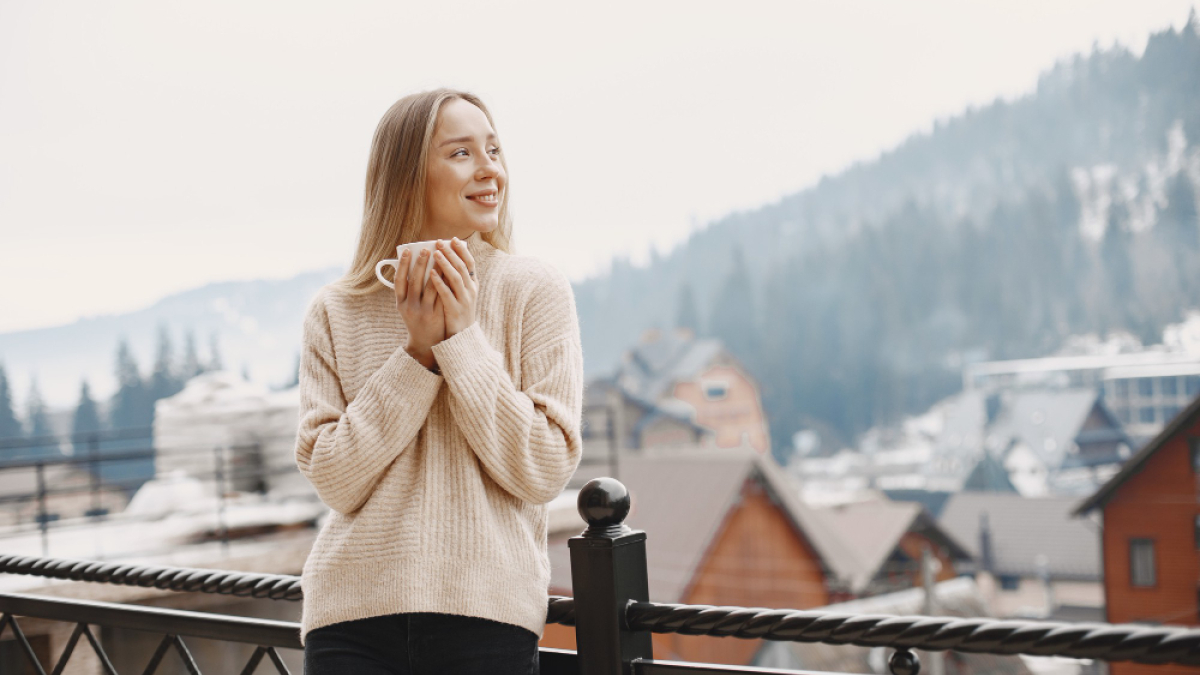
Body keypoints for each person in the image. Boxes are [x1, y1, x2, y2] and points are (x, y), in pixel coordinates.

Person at [294, 88, 584, 674]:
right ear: (406, 176)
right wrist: (417, 354)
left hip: (485, 618)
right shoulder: (336, 310)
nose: (489, 170)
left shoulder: (534, 289)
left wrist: (457, 340)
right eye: (461, 153)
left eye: (494, 150)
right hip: (351, 620)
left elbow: (544, 467)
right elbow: (333, 479)